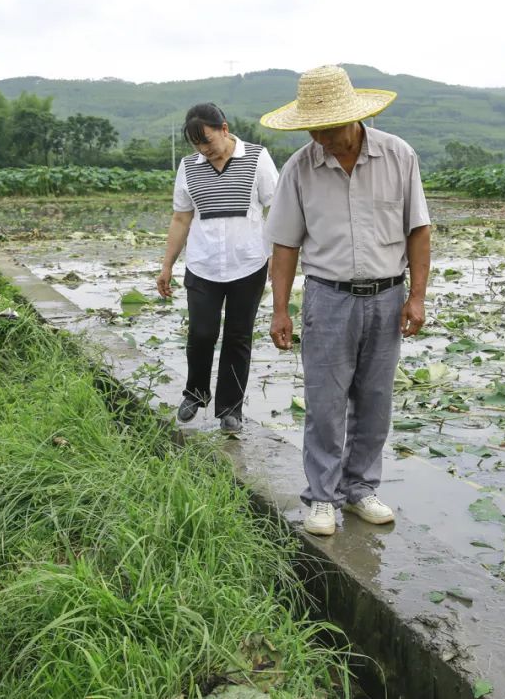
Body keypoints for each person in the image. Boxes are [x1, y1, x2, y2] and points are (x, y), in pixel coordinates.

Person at [262, 66, 431, 536]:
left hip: (387, 295)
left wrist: (417, 297)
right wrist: (280, 309)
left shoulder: (398, 156)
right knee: (324, 402)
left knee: (375, 400)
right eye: (313, 130)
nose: (321, 139)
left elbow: (418, 230)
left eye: (329, 128)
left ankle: (359, 489)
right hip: (328, 297)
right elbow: (285, 246)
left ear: (354, 118)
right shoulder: (300, 168)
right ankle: (322, 496)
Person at [156, 103, 278, 434]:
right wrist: (166, 265)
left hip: (248, 264)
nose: (203, 150)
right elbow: (181, 218)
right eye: (196, 144)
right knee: (201, 333)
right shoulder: (189, 167)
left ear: (224, 129)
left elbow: (276, 209)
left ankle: (230, 409)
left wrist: (278, 258)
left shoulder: (257, 158)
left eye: (207, 141)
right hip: (203, 264)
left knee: (238, 337)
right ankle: (195, 393)